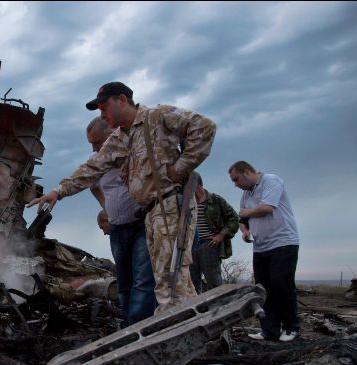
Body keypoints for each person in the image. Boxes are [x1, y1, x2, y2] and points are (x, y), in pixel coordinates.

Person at [27, 82, 217, 312]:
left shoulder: (157, 116)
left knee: (170, 278)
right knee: (172, 279)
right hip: (151, 213)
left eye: (104, 106)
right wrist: (59, 191)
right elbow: (92, 167)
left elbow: (205, 127)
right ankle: (198, 329)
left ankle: (172, 334)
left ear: (122, 100)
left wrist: (179, 168)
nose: (102, 113)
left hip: (170, 204)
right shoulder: (120, 138)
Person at [87, 117, 156, 325]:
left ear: (113, 133)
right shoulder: (96, 161)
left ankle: (141, 329)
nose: (94, 147)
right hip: (117, 227)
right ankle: (128, 327)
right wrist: (107, 207)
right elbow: (92, 186)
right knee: (124, 281)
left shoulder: (134, 151)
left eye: (97, 142)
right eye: (91, 143)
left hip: (141, 225)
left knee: (143, 280)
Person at [228, 161, 300, 342]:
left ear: (246, 172)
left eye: (236, 179)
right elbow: (242, 217)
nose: (235, 184)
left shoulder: (270, 181)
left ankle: (291, 327)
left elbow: (266, 208)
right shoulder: (246, 193)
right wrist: (244, 231)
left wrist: (247, 211)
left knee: (282, 285)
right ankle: (270, 330)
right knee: (263, 289)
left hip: (282, 242)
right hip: (260, 246)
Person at [190, 174, 239, 293]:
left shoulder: (216, 200)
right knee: (191, 284)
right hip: (190, 246)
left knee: (214, 282)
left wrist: (221, 235)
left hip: (209, 244)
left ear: (196, 184)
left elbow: (234, 218)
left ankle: (220, 308)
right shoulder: (187, 203)